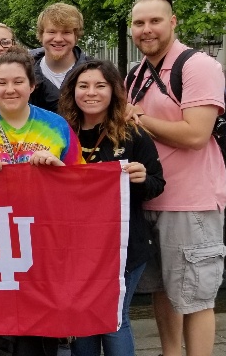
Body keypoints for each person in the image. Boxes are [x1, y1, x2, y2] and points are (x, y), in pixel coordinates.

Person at [0, 46, 83, 356]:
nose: (10, 89)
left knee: (34, 334)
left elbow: (81, 187)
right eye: (2, 82)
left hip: (41, 245)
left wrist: (57, 168)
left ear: (32, 86)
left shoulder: (56, 126)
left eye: (18, 81)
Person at [126, 0, 226, 356]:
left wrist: (138, 118)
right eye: (139, 23)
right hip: (151, 197)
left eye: (155, 21)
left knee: (197, 297)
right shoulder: (135, 74)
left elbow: (196, 135)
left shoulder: (198, 66)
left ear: (173, 22)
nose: (146, 29)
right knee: (164, 291)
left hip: (190, 201)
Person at [58, 60, 165, 356]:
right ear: (72, 91)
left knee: (112, 320)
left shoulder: (133, 134)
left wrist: (142, 178)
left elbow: (157, 184)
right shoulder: (58, 134)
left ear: (114, 91)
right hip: (74, 249)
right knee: (82, 318)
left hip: (124, 246)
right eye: (83, 86)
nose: (91, 93)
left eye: (100, 86)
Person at [30, 3, 90, 113]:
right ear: (41, 34)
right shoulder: (25, 71)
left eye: (66, 32)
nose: (58, 39)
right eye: (51, 32)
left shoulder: (97, 72)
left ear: (76, 36)